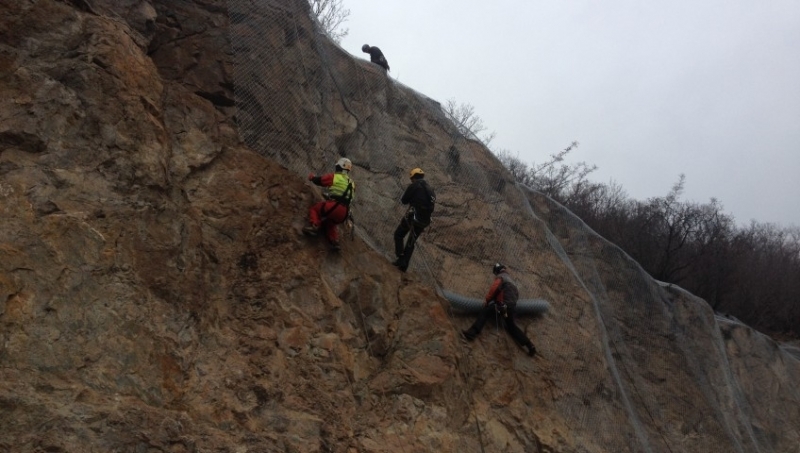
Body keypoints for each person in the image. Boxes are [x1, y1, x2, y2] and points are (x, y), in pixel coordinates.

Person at [462, 263, 537, 356]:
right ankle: (530, 345)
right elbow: (515, 295)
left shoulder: (501, 277)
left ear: (497, 271)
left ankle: (472, 333)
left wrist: (487, 300)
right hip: (509, 308)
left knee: (485, 312)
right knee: (511, 326)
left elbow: (494, 288)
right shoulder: (512, 282)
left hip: (502, 306)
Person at [303, 157, 355, 251]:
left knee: (315, 209)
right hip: (344, 213)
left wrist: (312, 177)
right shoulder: (352, 183)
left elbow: (321, 180)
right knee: (330, 223)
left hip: (334, 206)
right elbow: (345, 196)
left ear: (339, 167)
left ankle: (314, 226)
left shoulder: (336, 177)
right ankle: (334, 241)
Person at [393, 168, 435, 272]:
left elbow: (404, 200)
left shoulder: (414, 186)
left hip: (413, 217)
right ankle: (404, 266)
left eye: (412, 179)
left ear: (414, 178)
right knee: (411, 241)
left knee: (398, 234)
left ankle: (401, 258)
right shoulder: (430, 189)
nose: (411, 181)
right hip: (424, 221)